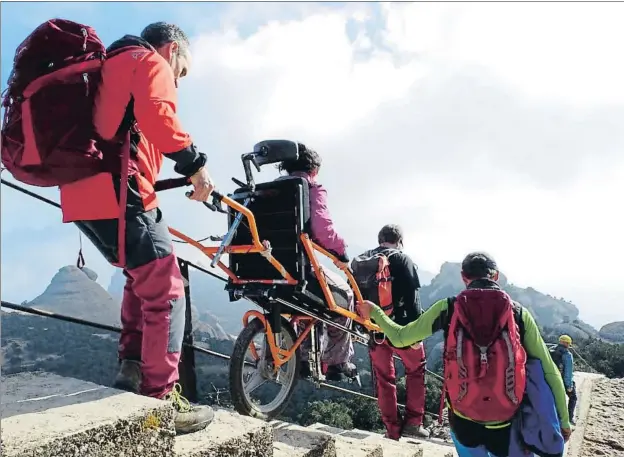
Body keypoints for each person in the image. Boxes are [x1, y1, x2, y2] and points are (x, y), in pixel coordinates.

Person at [59, 22, 215, 435]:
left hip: (82, 195)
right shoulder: (147, 60)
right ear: (172, 50)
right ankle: (160, 401)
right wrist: (196, 166)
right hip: (120, 190)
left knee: (140, 278)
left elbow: (121, 127)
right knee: (167, 286)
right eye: (182, 71)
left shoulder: (109, 66)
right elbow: (158, 114)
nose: (179, 80)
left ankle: (130, 372)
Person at [357, 252, 572, 457]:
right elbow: (549, 372)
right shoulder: (519, 314)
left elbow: (401, 338)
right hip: (505, 420)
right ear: (495, 276)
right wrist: (563, 421)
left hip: (462, 419)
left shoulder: (449, 307)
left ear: (463, 278)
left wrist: (374, 311)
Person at [275, 144, 357, 381]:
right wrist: (342, 253)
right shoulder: (309, 188)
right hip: (297, 269)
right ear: (314, 169)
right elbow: (323, 230)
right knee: (344, 297)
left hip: (264, 268)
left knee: (306, 304)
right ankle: (337, 363)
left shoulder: (265, 191)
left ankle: (301, 360)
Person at [352, 225, 429, 440]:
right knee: (416, 370)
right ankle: (413, 423)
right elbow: (413, 300)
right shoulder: (402, 259)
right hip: (401, 329)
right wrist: (416, 336)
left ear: (380, 239)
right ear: (400, 241)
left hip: (374, 330)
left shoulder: (364, 259)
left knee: (384, 378)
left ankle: (392, 430)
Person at [551, 335, 577, 425]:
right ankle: (569, 418)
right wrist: (569, 386)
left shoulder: (551, 350)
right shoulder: (567, 354)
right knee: (573, 398)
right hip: (562, 380)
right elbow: (568, 373)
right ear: (567, 343)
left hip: (551, 380)